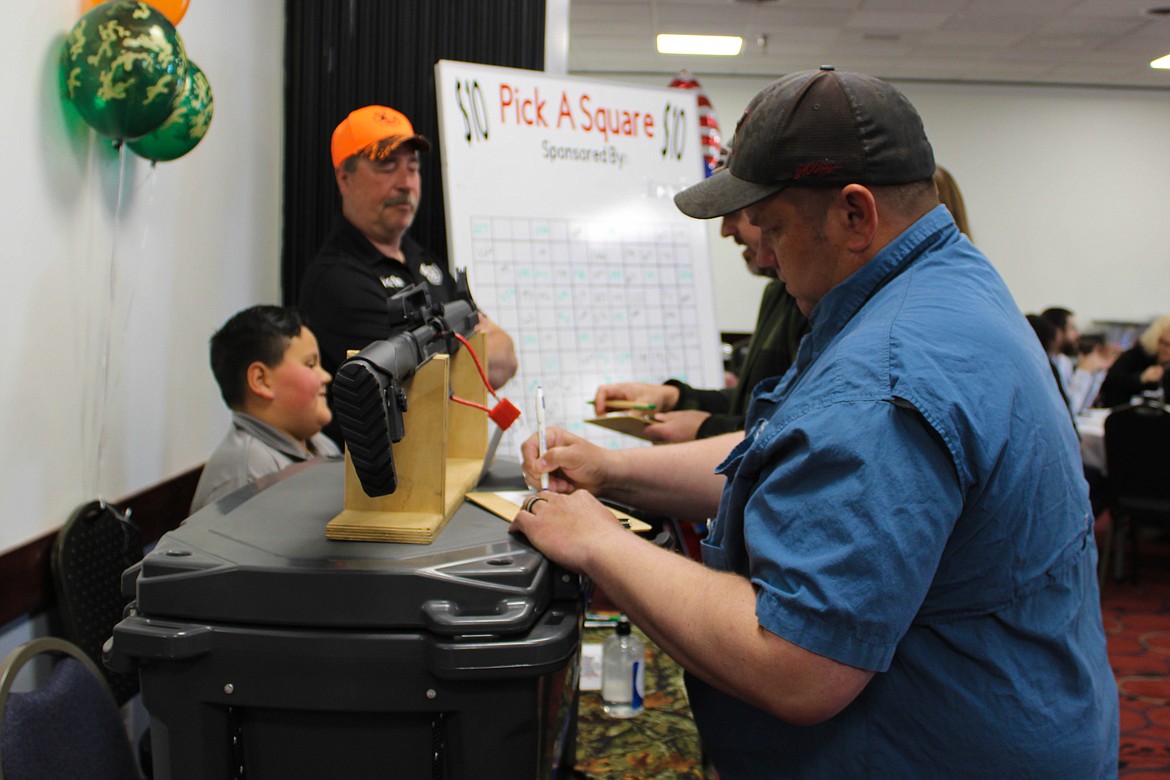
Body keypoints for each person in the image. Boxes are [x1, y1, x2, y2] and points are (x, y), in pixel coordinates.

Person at [512, 67, 1117, 777]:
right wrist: (617, 471)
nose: (765, 256)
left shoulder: (884, 378)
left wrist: (600, 544)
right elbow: (791, 446)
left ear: (856, 215)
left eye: (772, 227)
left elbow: (796, 664)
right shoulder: (939, 286)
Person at [299, 105, 517, 441]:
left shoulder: (425, 261)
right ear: (345, 177)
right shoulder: (336, 281)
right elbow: (420, 390)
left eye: (413, 168)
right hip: (383, 484)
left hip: (450, 465)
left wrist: (451, 355)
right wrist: (469, 342)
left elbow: (506, 355)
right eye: (387, 166)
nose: (405, 183)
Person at [593, 203, 807, 443]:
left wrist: (704, 429)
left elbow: (792, 429)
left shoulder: (812, 298)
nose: (724, 231)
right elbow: (753, 404)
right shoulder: (777, 294)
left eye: (735, 214)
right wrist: (674, 397)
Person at [190, 305, 341, 513]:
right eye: (311, 364)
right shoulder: (247, 477)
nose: (326, 376)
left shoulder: (322, 445)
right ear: (261, 380)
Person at [1042, 306, 1118, 414]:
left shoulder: (1064, 362)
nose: (1078, 334)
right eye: (1072, 329)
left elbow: (1083, 406)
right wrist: (1084, 371)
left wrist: (1096, 371)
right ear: (1058, 333)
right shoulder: (1045, 364)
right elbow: (1069, 410)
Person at [1100, 314, 1170, 407]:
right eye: (1165, 344)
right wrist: (1141, 378)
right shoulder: (1134, 356)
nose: (1167, 350)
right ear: (1155, 340)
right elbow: (1110, 384)